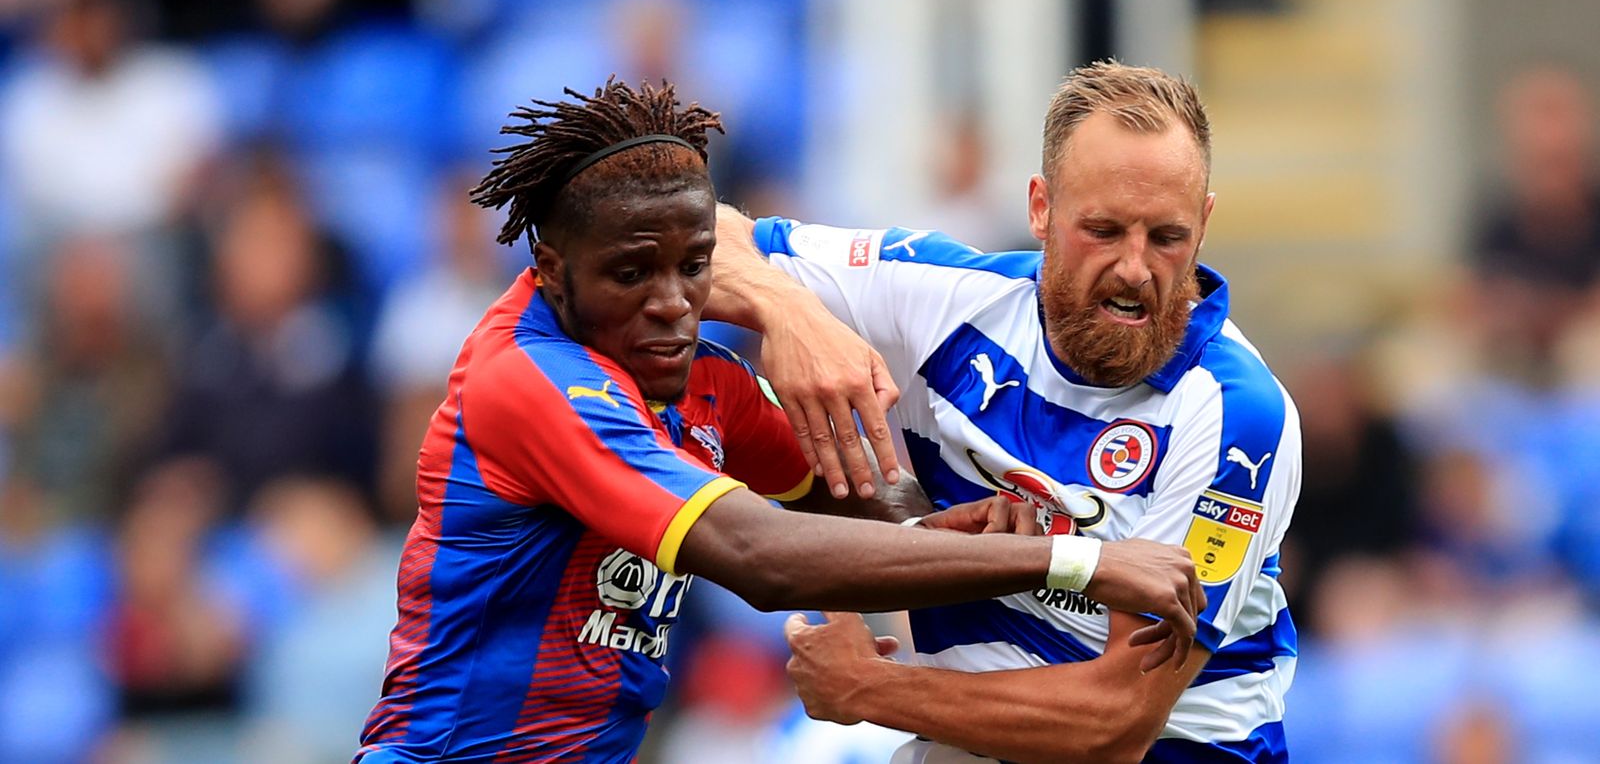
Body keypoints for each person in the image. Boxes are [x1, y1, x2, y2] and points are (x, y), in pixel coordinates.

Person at [353, 78, 1203, 763]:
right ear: (551, 267)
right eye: (631, 274)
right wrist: (1077, 561)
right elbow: (763, 559)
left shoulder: (704, 383)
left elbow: (864, 514)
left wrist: (979, 528)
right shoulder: (528, 382)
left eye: (692, 269)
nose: (672, 306)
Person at [709, 61, 1302, 762]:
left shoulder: (1238, 415)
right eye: (1104, 230)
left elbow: (1117, 722)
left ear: (1202, 223)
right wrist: (786, 313)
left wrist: (868, 688)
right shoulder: (941, 300)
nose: (1136, 269)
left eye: (1166, 237)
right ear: (1041, 208)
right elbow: (702, 236)